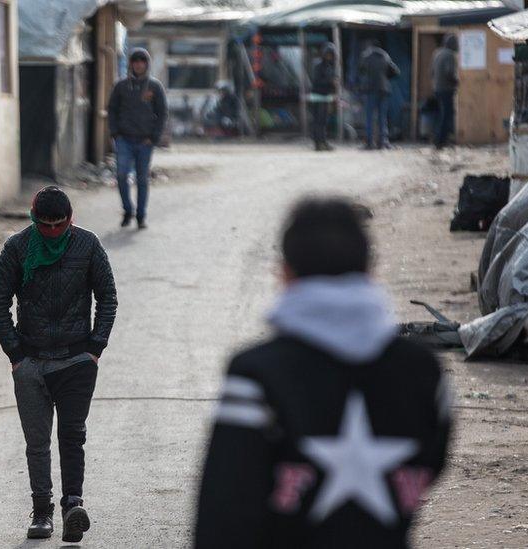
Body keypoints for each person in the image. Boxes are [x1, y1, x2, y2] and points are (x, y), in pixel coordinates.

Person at [194, 198, 452, 548]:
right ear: (370, 269)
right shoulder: (424, 371)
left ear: (285, 274)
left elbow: (222, 513)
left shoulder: (256, 374)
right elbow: (429, 466)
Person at [0, 186, 118, 543]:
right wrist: (16, 355)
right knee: (37, 442)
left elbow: (107, 297)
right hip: (31, 362)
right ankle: (42, 512)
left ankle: (72, 505)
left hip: (77, 360)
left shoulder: (88, 246)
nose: (54, 232)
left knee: (72, 436)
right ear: (34, 220)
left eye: (61, 225)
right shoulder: (18, 248)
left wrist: (95, 348)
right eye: (46, 226)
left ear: (70, 220)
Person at [108, 47, 168, 229]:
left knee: (142, 179)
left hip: (145, 141)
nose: (139, 65)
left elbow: (162, 113)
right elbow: (112, 110)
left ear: (147, 64)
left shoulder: (155, 87)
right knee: (121, 175)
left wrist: (154, 137)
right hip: (124, 139)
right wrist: (115, 133)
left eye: (142, 62)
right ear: (131, 64)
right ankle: (128, 210)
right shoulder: (121, 86)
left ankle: (141, 215)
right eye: (135, 61)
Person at [358, 40, 400, 149]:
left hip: (371, 89)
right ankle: (383, 142)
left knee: (369, 117)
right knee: (382, 117)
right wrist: (386, 78)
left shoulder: (366, 56)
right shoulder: (385, 56)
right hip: (384, 90)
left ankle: (369, 143)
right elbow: (396, 71)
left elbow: (361, 70)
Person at [431, 34, 459, 149]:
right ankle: (441, 141)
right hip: (446, 89)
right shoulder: (450, 55)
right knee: (446, 115)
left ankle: (439, 139)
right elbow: (449, 72)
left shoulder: (437, 53)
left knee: (442, 114)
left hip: (437, 88)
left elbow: (431, 72)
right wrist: (457, 82)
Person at [309, 43, 338, 151]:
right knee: (319, 121)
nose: (329, 56)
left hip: (326, 96)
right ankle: (318, 143)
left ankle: (323, 142)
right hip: (318, 96)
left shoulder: (330, 66)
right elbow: (316, 81)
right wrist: (330, 82)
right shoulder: (318, 65)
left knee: (323, 121)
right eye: (328, 54)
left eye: (331, 55)